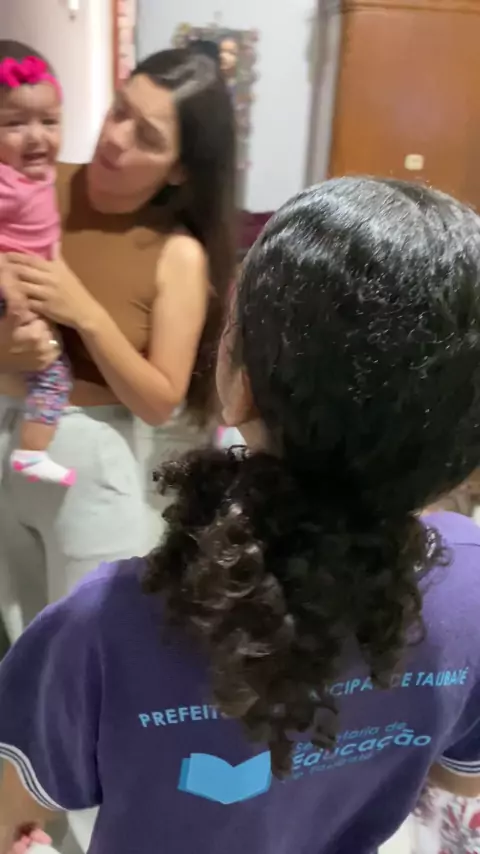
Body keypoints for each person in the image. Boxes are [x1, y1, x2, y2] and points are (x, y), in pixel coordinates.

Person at [2, 177, 480, 854]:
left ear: (241, 385)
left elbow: (10, 815)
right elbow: (459, 778)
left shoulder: (107, 623)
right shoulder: (472, 587)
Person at [0, 39, 236, 634]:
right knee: (16, 645)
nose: (114, 138)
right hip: (6, 435)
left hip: (88, 459)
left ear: (180, 169)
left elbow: (159, 401)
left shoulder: (177, 255)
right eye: (119, 110)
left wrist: (85, 313)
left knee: (90, 644)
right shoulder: (33, 183)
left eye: (146, 137)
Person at [0, 51, 75, 487]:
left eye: (49, 121)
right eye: (14, 124)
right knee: (52, 376)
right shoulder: (7, 182)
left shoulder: (37, 175)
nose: (36, 137)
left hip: (29, 289)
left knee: (47, 367)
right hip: (10, 292)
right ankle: (30, 452)